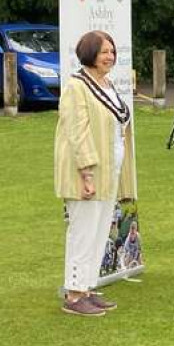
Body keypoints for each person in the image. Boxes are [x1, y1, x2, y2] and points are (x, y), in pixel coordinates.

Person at [54, 31, 137, 316]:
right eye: (104, 51)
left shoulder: (107, 84)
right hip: (85, 173)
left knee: (100, 232)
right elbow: (77, 131)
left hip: (109, 171)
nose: (110, 56)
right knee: (83, 232)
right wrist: (87, 172)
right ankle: (74, 294)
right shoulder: (77, 87)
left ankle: (87, 288)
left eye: (112, 51)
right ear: (89, 53)